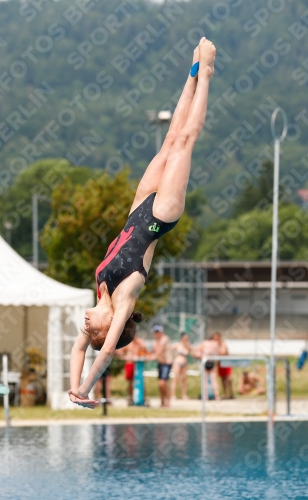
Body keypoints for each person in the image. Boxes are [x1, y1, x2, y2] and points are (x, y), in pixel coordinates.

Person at [68, 38, 217, 408]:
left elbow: (77, 351)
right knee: (184, 141)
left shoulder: (99, 290)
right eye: (91, 331)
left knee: (169, 140)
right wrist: (87, 390)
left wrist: (72, 388)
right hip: (159, 217)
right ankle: (209, 74)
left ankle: (193, 72)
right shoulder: (120, 305)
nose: (84, 328)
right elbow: (101, 356)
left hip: (137, 209)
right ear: (106, 331)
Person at [116, 334, 147, 405]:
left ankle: (143, 398)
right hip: (130, 363)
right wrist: (124, 357)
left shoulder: (140, 342)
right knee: (130, 382)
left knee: (141, 382)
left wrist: (142, 346)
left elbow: (145, 352)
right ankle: (130, 398)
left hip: (138, 364)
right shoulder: (128, 343)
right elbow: (119, 351)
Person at [150, 325, 173, 407]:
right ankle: (162, 401)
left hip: (167, 363)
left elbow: (160, 350)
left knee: (162, 383)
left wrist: (152, 357)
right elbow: (153, 352)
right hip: (161, 364)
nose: (157, 334)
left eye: (158, 332)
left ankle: (168, 401)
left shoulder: (165, 339)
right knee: (161, 384)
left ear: (161, 332)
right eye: (155, 332)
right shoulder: (155, 342)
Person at [192, 334, 220, 401]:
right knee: (214, 381)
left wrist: (200, 354)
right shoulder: (215, 343)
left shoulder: (204, 343)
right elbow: (217, 352)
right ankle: (217, 396)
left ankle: (206, 397)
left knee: (205, 381)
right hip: (211, 361)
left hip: (205, 361)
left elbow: (196, 349)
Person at [213, 332, 234, 399]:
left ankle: (231, 392)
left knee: (228, 379)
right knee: (222, 379)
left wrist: (217, 352)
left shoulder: (223, 343)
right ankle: (225, 394)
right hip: (220, 363)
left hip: (226, 362)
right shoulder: (214, 345)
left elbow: (224, 352)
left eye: (217, 338)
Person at [171, 332, 191, 399]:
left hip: (184, 364)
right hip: (177, 363)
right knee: (175, 379)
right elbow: (169, 349)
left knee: (184, 380)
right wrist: (172, 358)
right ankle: (173, 395)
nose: (186, 339)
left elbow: (192, 351)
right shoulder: (177, 345)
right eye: (185, 338)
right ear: (182, 338)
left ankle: (184, 395)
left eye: (187, 338)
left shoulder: (187, 346)